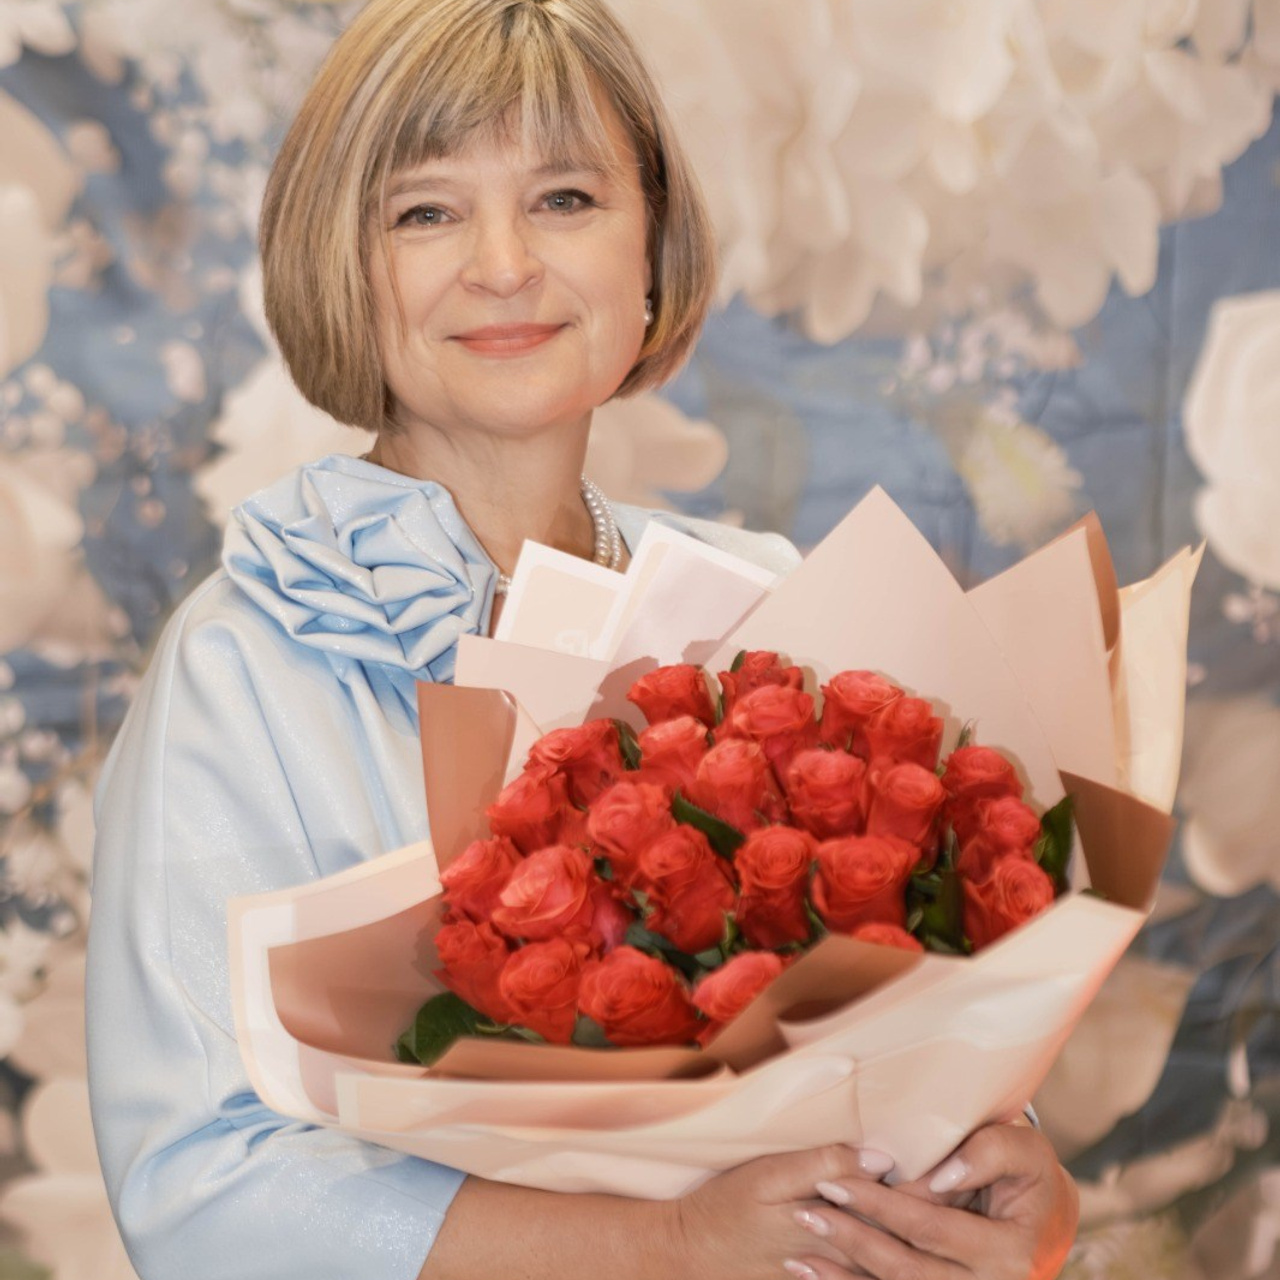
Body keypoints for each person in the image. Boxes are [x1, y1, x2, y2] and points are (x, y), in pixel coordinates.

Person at [85, 1, 1079, 1278]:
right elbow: (200, 1188)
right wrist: (666, 1243)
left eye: (563, 198)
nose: (503, 264)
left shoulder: (767, 609)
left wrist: (1007, 1181)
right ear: (343, 264)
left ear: (650, 249)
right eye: (424, 211)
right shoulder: (246, 662)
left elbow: (909, 1024)